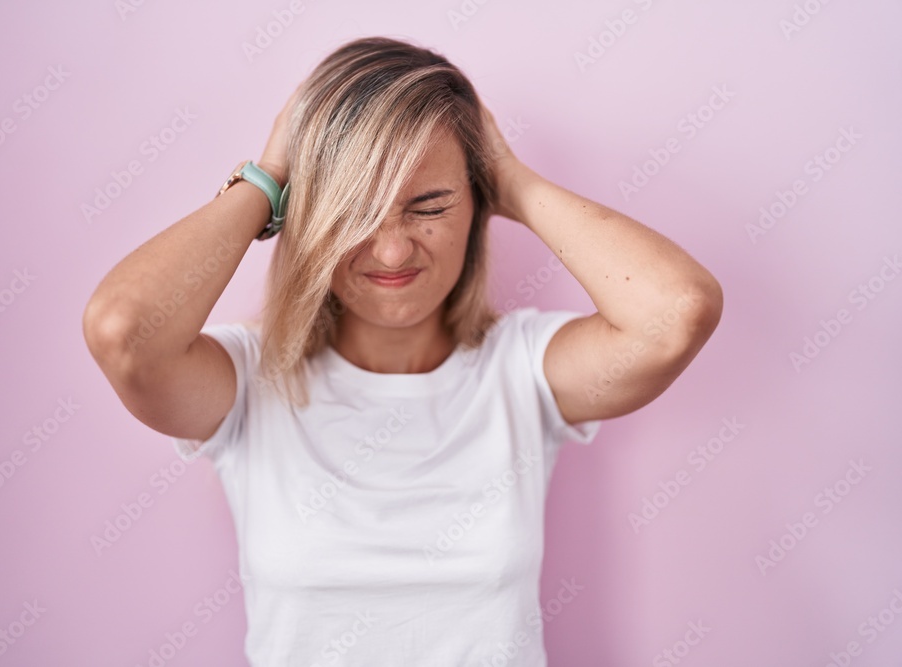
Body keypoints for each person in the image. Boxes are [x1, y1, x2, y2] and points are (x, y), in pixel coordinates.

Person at [82, 36, 722, 667]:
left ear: (477, 204)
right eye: (353, 212)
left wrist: (511, 179)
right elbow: (123, 332)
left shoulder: (522, 368)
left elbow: (676, 313)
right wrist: (269, 179)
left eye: (429, 207)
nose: (391, 251)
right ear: (305, 216)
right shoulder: (248, 379)